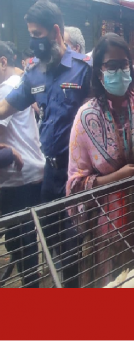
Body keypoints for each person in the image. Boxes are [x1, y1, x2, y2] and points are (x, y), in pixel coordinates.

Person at [0, 0, 91, 287]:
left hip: (77, 175)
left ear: (55, 32)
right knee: (52, 245)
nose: (32, 42)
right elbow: (7, 107)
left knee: (76, 247)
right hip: (49, 177)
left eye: (37, 35)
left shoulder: (82, 70)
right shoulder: (34, 74)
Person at [66, 33, 134, 286]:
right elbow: (75, 184)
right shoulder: (86, 118)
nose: (120, 71)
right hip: (107, 230)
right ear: (100, 72)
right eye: (112, 66)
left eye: (124, 65)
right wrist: (114, 178)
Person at [0, 41, 44, 287]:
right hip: (29, 171)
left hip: (18, 176)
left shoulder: (7, 89)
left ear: (3, 61)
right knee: (21, 239)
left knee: (22, 242)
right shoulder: (19, 83)